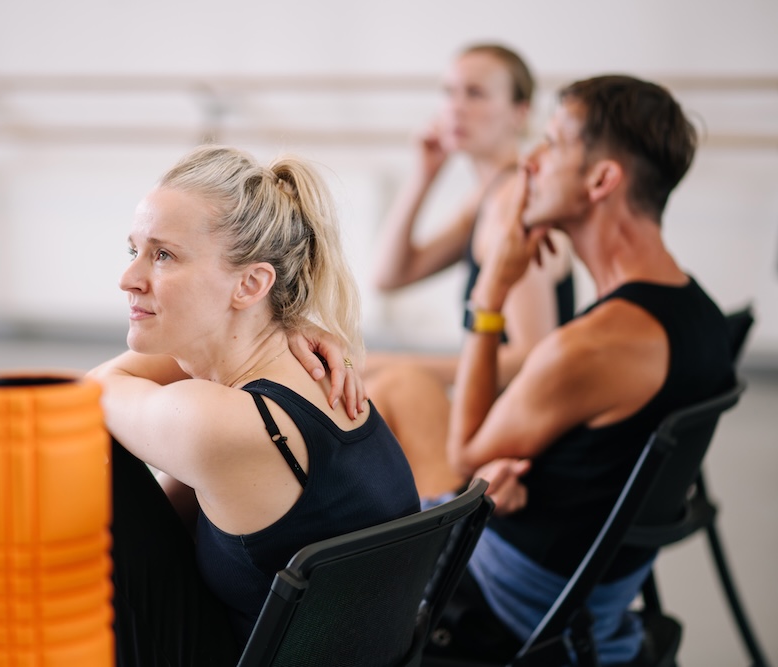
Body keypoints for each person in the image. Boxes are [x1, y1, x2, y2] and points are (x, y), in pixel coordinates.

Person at [427, 75, 736, 664]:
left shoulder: (590, 349)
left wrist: (489, 295)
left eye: (552, 143)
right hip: (586, 592)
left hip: (503, 599)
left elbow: (466, 455)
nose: (530, 163)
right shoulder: (703, 315)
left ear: (601, 180)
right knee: (403, 396)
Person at [87, 145, 421, 666]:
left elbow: (90, 393)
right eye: (134, 250)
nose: (128, 278)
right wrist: (283, 321)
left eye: (163, 255)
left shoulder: (221, 424)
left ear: (251, 283)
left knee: (93, 452)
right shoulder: (310, 378)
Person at [365, 44, 575, 502]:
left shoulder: (511, 205)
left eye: (475, 94)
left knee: (390, 384)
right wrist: (424, 174)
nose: (455, 108)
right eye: (449, 92)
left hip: (518, 452)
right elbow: (389, 275)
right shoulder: (491, 195)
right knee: (379, 386)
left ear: (519, 112)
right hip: (499, 425)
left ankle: (432, 534)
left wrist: (396, 363)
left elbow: (534, 357)